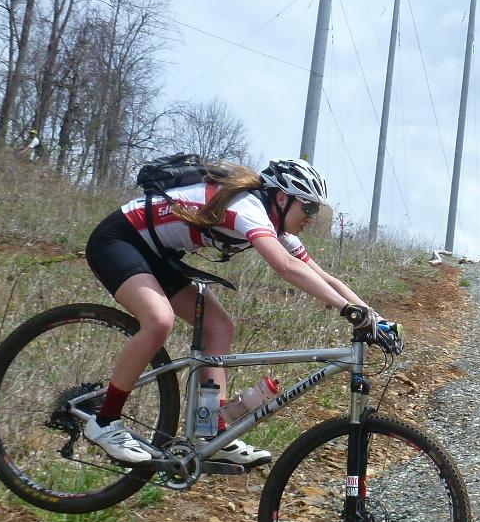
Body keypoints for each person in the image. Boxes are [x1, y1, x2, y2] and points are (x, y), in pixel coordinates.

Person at [81, 157, 394, 467]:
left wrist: (376, 319)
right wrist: (347, 310)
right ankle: (104, 420)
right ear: (282, 198)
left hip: (156, 254)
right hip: (119, 240)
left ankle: (209, 433)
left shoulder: (276, 226)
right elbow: (286, 267)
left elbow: (323, 276)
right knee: (159, 320)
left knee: (219, 327)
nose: (311, 217)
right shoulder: (247, 208)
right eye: (308, 207)